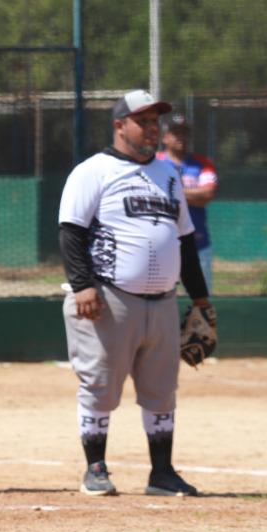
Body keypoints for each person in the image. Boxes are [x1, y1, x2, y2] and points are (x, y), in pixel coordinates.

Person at [59, 89, 212, 498]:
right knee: (100, 386)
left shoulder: (167, 174)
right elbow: (71, 232)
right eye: (142, 121)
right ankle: (96, 469)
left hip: (162, 301)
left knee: (162, 391)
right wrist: (82, 285)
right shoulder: (94, 170)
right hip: (109, 299)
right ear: (119, 125)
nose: (150, 128)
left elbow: (184, 240)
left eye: (154, 121)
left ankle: (161, 473)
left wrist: (200, 299)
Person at [156, 113, 219, 291]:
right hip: (164, 244)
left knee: (202, 299)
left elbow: (208, 194)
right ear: (164, 137)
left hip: (199, 242)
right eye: (176, 132)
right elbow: (154, 198)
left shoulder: (202, 163)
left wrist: (172, 194)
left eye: (184, 132)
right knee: (162, 298)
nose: (181, 137)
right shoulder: (155, 162)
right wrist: (192, 195)